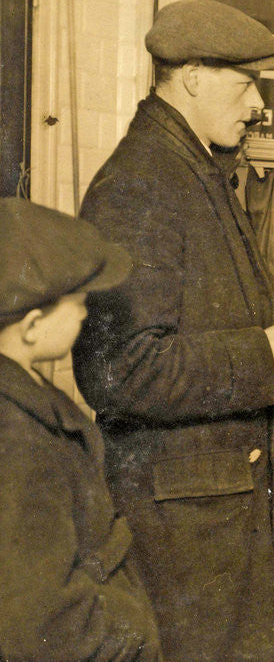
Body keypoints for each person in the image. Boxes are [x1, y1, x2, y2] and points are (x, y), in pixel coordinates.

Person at [72, 0, 274, 661]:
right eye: (245, 82)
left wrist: (271, 326)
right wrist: (263, 352)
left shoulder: (192, 167)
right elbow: (117, 369)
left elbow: (186, 320)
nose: (258, 104)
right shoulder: (141, 181)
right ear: (190, 74)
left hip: (215, 516)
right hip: (186, 533)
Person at [0, 198, 160, 661]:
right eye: (79, 303)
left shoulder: (25, 388)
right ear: (32, 326)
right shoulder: (18, 442)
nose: (86, 313)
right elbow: (45, 621)